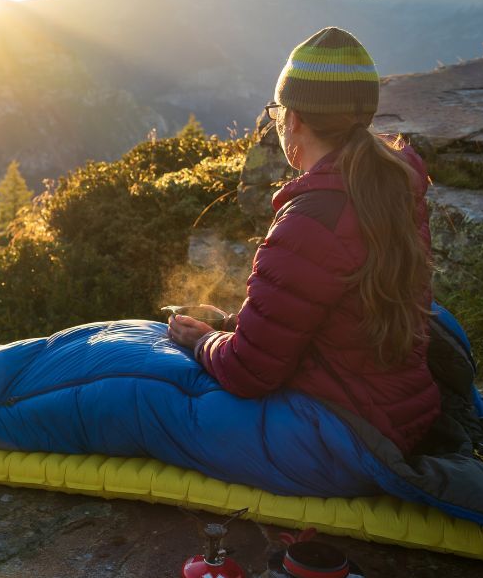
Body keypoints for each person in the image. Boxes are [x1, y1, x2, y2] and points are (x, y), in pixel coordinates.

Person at [167, 26, 441, 454]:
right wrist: (238, 325)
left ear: (293, 119)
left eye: (277, 112)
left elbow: (247, 373)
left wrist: (203, 342)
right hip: (402, 414)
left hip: (345, 435)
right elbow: (341, 314)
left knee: (154, 399)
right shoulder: (393, 185)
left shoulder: (311, 220)